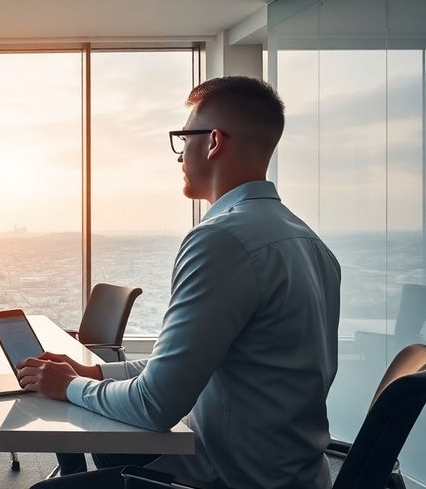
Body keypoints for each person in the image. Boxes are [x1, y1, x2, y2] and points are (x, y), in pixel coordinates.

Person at [19, 76, 341, 489]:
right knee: (107, 449)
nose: (179, 155)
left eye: (183, 138)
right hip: (294, 475)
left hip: (226, 480)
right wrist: (95, 372)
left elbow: (156, 405)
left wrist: (70, 386)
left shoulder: (221, 239)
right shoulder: (309, 243)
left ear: (213, 142)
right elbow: (186, 363)